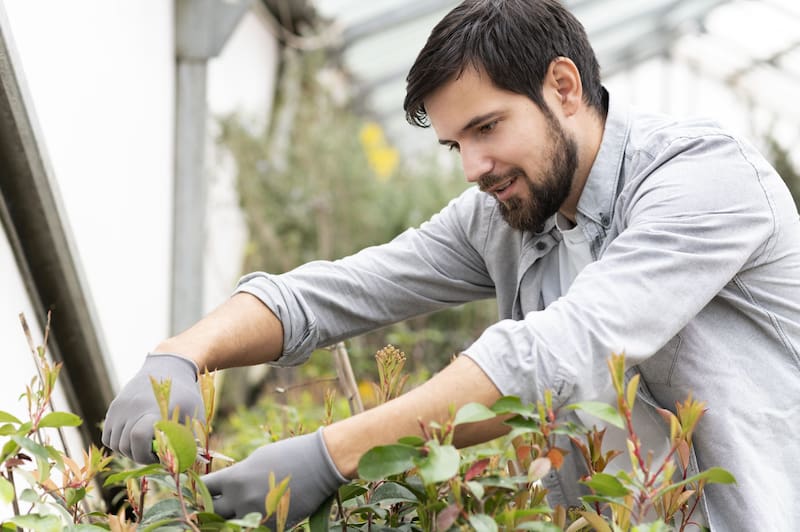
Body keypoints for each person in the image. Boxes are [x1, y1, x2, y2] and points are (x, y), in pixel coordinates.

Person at [102, 0, 800, 529]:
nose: (473, 168)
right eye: (454, 145)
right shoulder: (507, 212)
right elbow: (336, 293)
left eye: (487, 128)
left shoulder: (703, 180)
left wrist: (332, 454)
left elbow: (551, 357)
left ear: (563, 87)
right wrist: (182, 353)